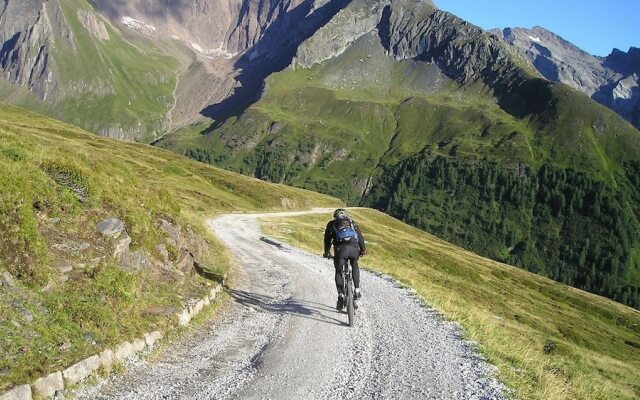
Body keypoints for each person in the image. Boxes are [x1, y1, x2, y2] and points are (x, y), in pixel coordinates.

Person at [323, 208, 367, 311]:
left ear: (335, 216)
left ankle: (341, 296)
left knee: (338, 271)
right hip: (354, 249)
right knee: (355, 264)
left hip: (340, 251)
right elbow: (360, 237)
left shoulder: (332, 224)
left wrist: (327, 252)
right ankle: (356, 290)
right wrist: (363, 249)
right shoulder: (352, 223)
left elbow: (327, 240)